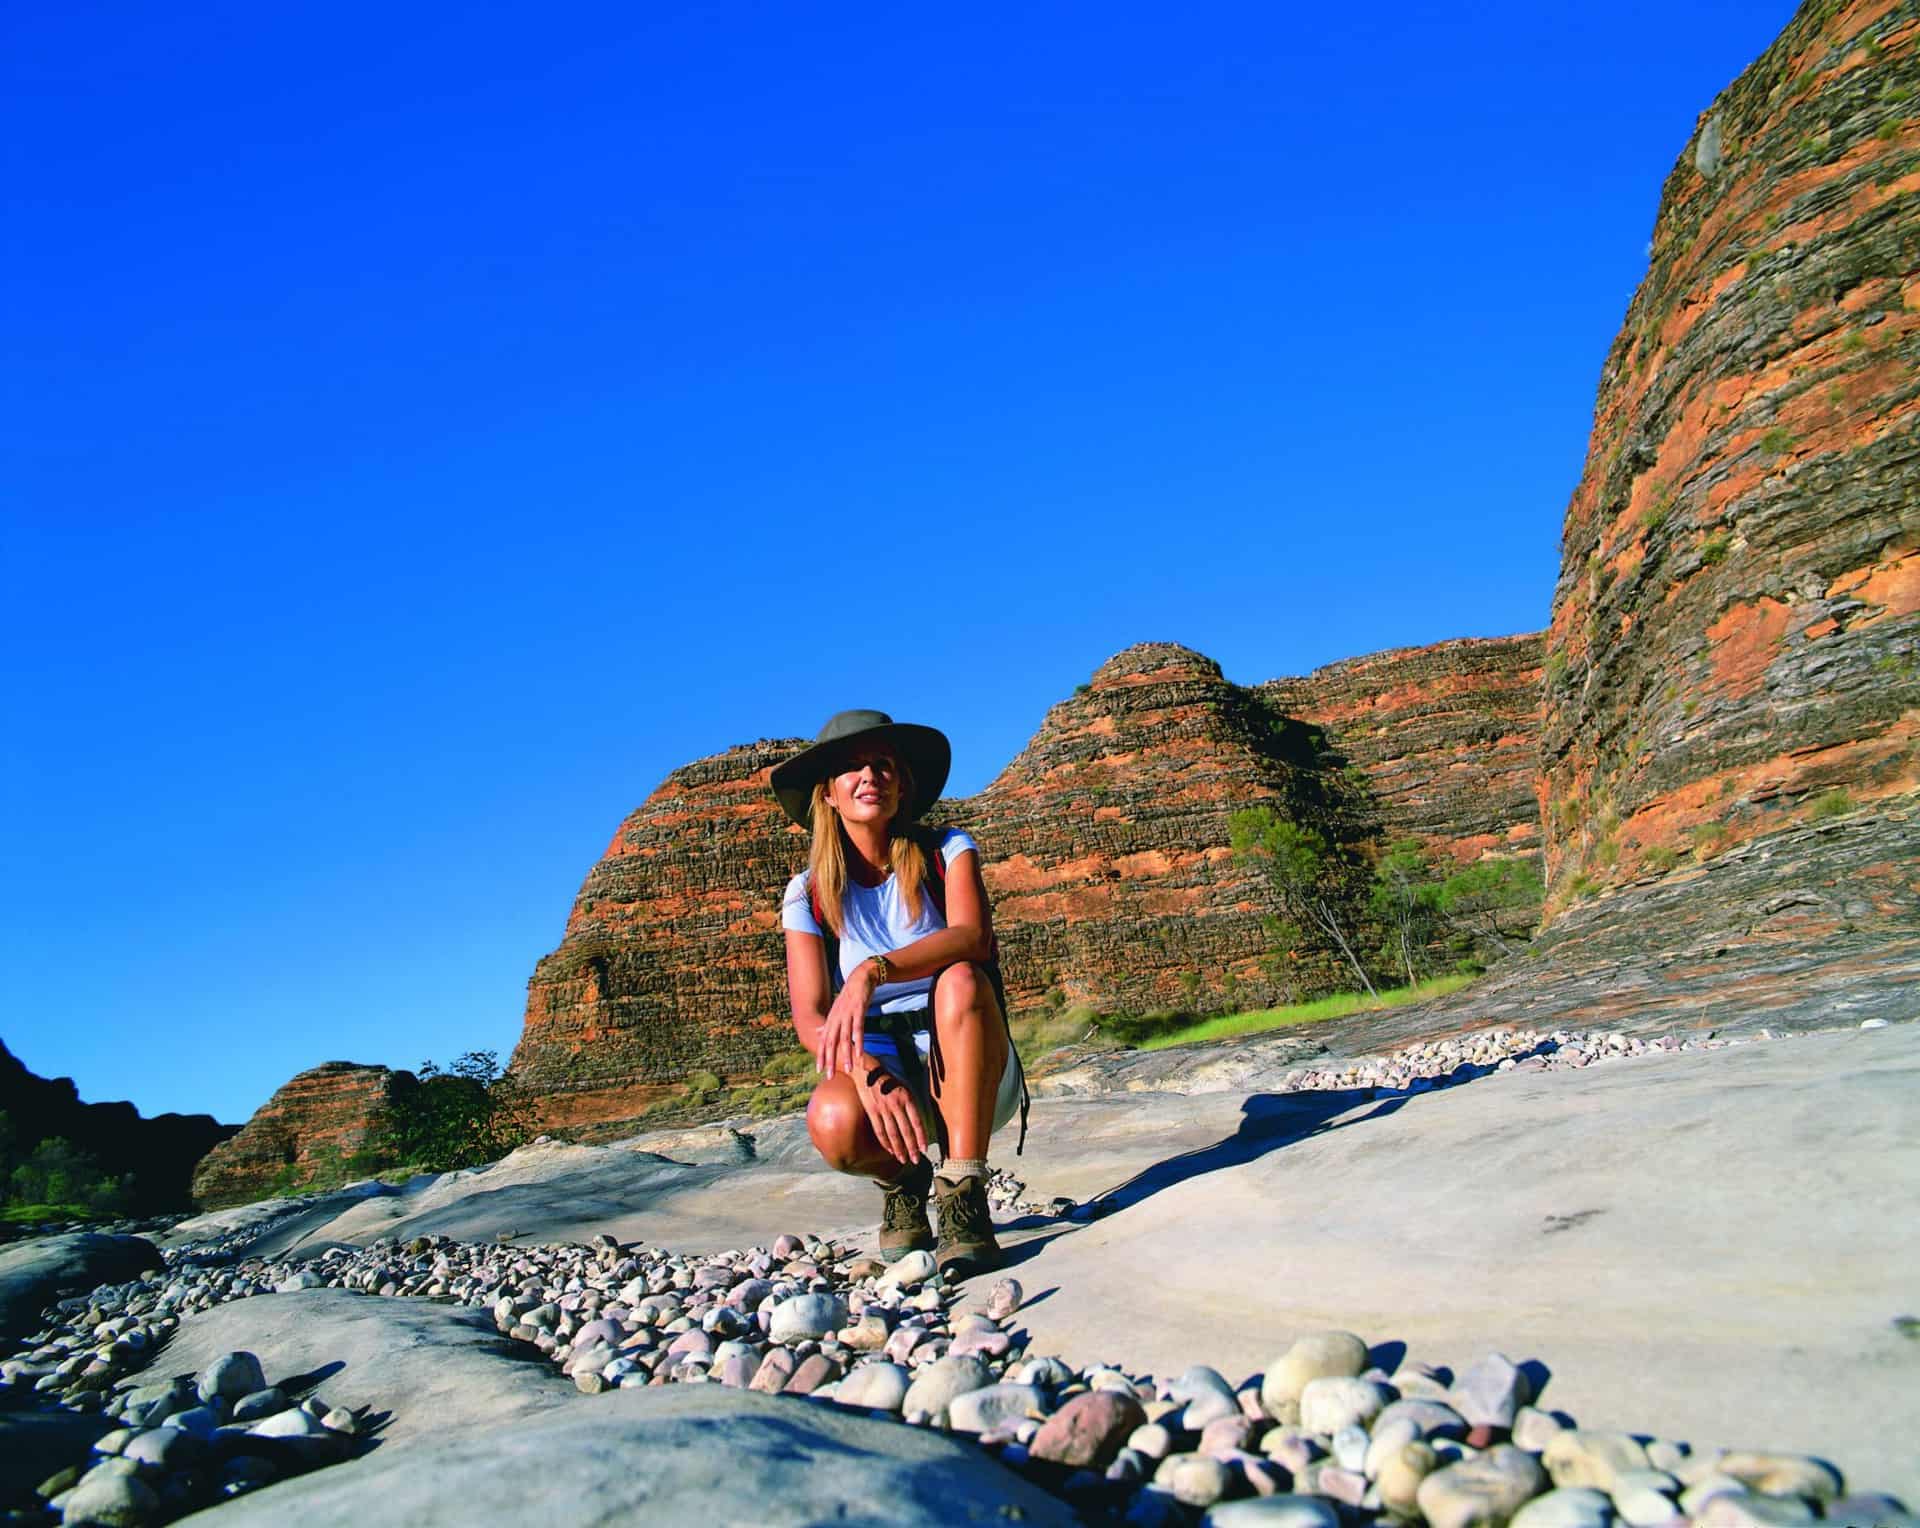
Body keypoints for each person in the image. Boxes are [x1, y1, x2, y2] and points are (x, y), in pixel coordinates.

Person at [771, 708, 1025, 1279]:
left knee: (959, 977)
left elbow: (972, 937)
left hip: (971, 1066)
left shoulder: (947, 850)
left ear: (902, 782)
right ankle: (904, 1183)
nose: (869, 776)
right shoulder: (807, 893)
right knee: (832, 1119)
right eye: (851, 769)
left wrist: (871, 972)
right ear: (829, 795)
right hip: (885, 1067)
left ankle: (963, 1192)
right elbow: (811, 1017)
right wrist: (862, 1072)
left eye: (882, 764)